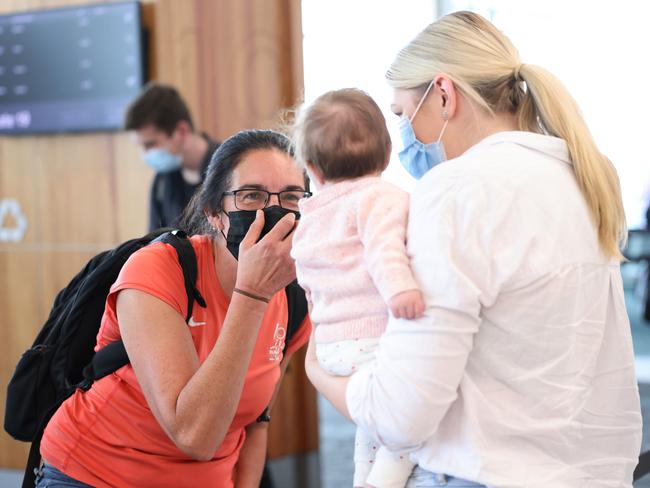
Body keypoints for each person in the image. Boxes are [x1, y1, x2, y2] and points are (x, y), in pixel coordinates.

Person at [305, 11, 642, 488]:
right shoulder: (583, 176)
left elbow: (402, 416)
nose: (404, 136)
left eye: (403, 114)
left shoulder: (458, 189)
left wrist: (320, 372)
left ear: (443, 94)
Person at [37, 130, 313, 487]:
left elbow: (256, 422)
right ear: (214, 213)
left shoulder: (293, 298)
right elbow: (193, 435)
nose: (273, 210)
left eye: (291, 196)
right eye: (251, 196)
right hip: (96, 473)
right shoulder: (158, 269)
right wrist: (253, 295)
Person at [291, 88, 424, 488]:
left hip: (332, 345)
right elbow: (384, 249)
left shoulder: (311, 213)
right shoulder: (380, 197)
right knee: (412, 423)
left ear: (313, 170)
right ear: (387, 155)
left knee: (371, 426)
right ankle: (382, 481)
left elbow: (308, 280)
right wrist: (400, 290)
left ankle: (363, 479)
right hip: (375, 339)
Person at [124, 82, 220, 230]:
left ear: (181, 131)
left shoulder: (229, 170)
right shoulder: (161, 181)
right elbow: (152, 243)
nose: (145, 155)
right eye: (141, 147)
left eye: (150, 144)